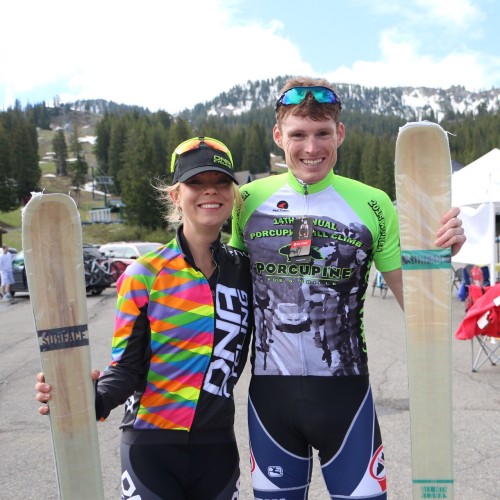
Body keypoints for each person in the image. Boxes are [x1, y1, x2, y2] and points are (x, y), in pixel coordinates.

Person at [229, 77, 466, 499]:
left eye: (322, 134)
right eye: (298, 134)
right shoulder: (245, 200)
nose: (311, 147)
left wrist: (437, 256)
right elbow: (219, 288)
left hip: (347, 400)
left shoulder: (373, 204)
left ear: (339, 133)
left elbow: (417, 304)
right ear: (278, 135)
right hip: (270, 402)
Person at [36, 137, 253, 500]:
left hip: (217, 446)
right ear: (175, 195)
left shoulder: (243, 271)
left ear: (233, 194)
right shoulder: (145, 274)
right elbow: (126, 367)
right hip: (151, 447)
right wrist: (88, 399)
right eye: (196, 183)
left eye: (220, 182)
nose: (209, 192)